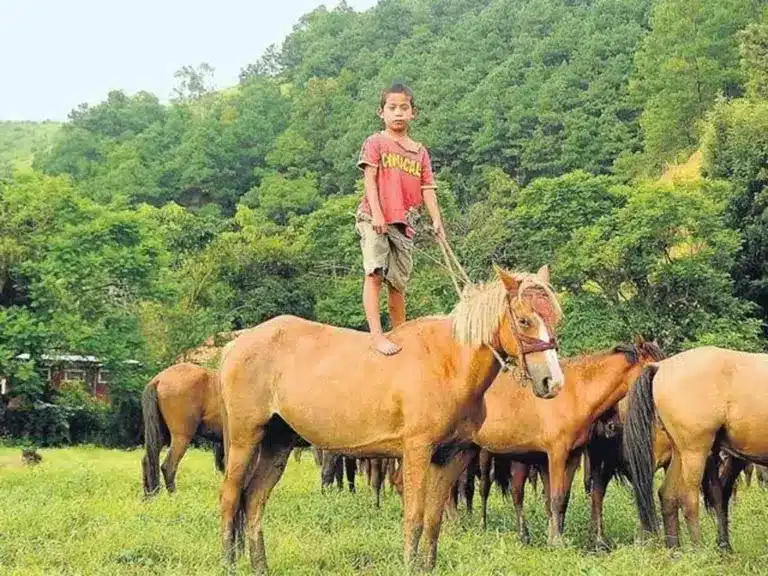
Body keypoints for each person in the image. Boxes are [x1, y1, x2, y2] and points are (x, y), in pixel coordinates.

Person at [355, 82, 444, 355]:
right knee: (375, 274)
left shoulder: (419, 151)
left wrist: (437, 220)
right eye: (392, 108)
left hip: (404, 223)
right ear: (381, 112)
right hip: (374, 217)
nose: (398, 113)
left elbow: (427, 187)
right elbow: (369, 178)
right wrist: (378, 212)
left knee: (398, 283)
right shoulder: (376, 143)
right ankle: (377, 336)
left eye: (404, 108)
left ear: (413, 113)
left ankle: (400, 333)